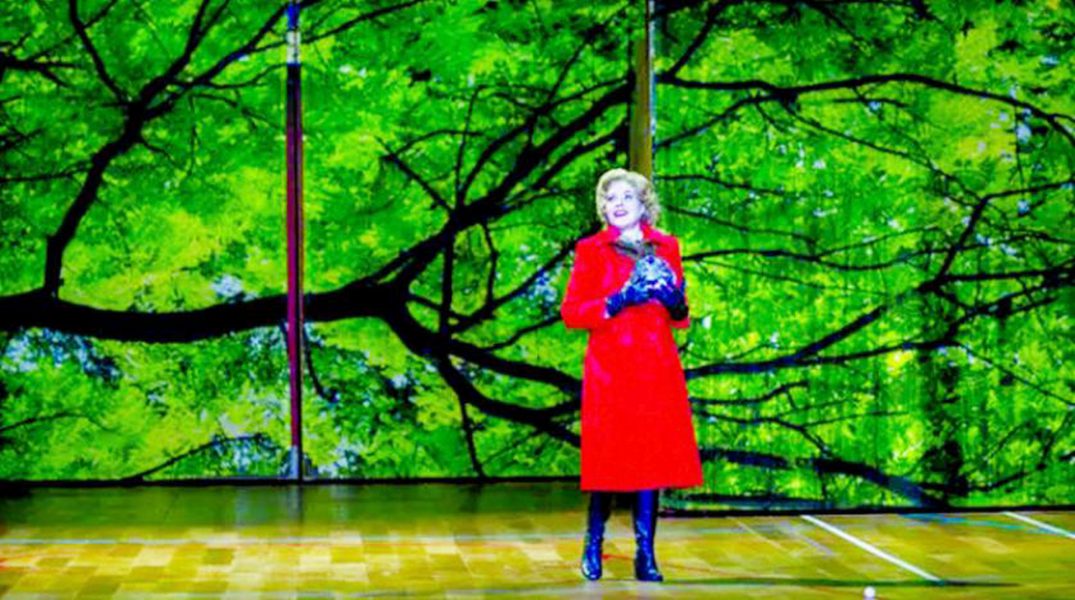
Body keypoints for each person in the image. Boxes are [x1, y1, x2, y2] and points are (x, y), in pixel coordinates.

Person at [560, 168, 704, 582]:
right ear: (603, 207)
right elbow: (572, 312)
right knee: (608, 459)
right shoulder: (591, 249)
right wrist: (617, 300)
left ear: (644, 204)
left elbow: (680, 316)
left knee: (651, 459)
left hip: (655, 366)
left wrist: (676, 303)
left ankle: (646, 553)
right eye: (611, 199)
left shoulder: (667, 246)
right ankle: (594, 542)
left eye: (627, 197)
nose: (618, 204)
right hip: (610, 368)